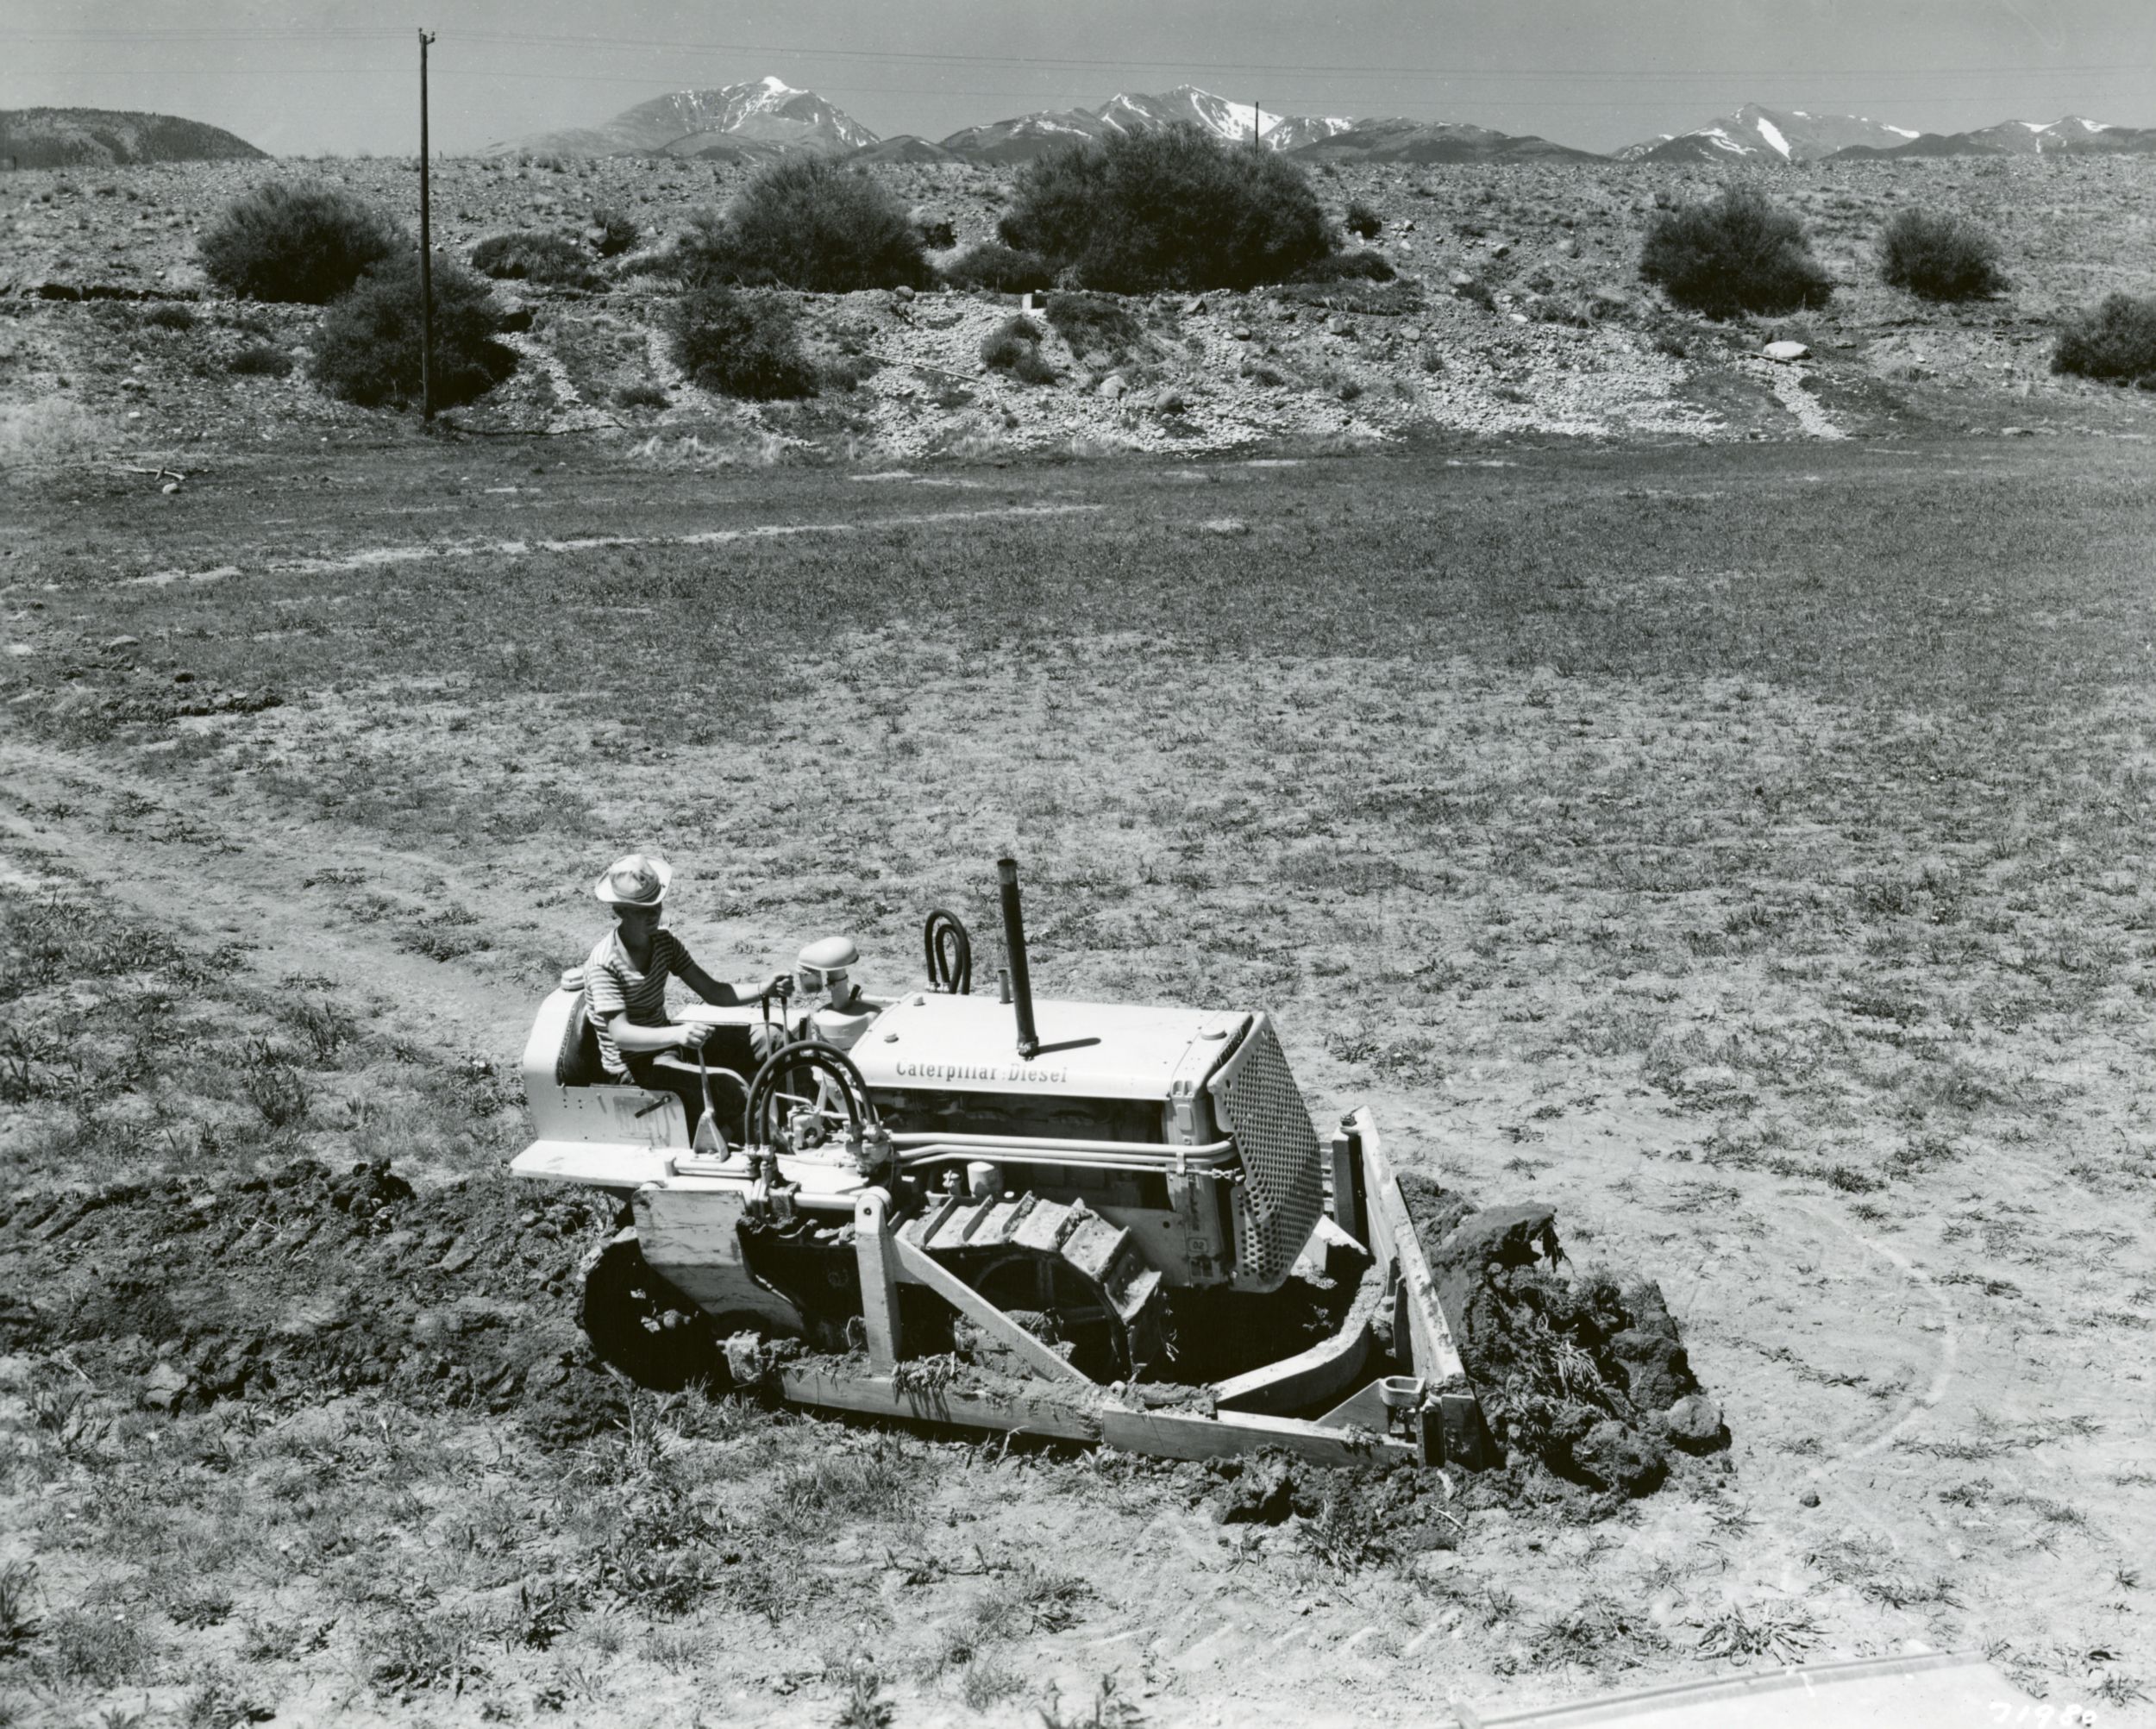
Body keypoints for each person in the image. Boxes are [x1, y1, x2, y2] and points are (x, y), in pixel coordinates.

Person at [581, 853, 788, 1136]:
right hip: (633, 1068)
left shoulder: (664, 943)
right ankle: (760, 1146)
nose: (653, 914)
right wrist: (677, 1035)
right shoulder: (604, 962)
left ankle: (795, 1120)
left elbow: (714, 991)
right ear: (620, 911)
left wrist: (762, 989)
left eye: (656, 904)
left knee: (772, 1039)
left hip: (669, 1045)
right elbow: (621, 1034)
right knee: (727, 1087)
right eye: (643, 909)